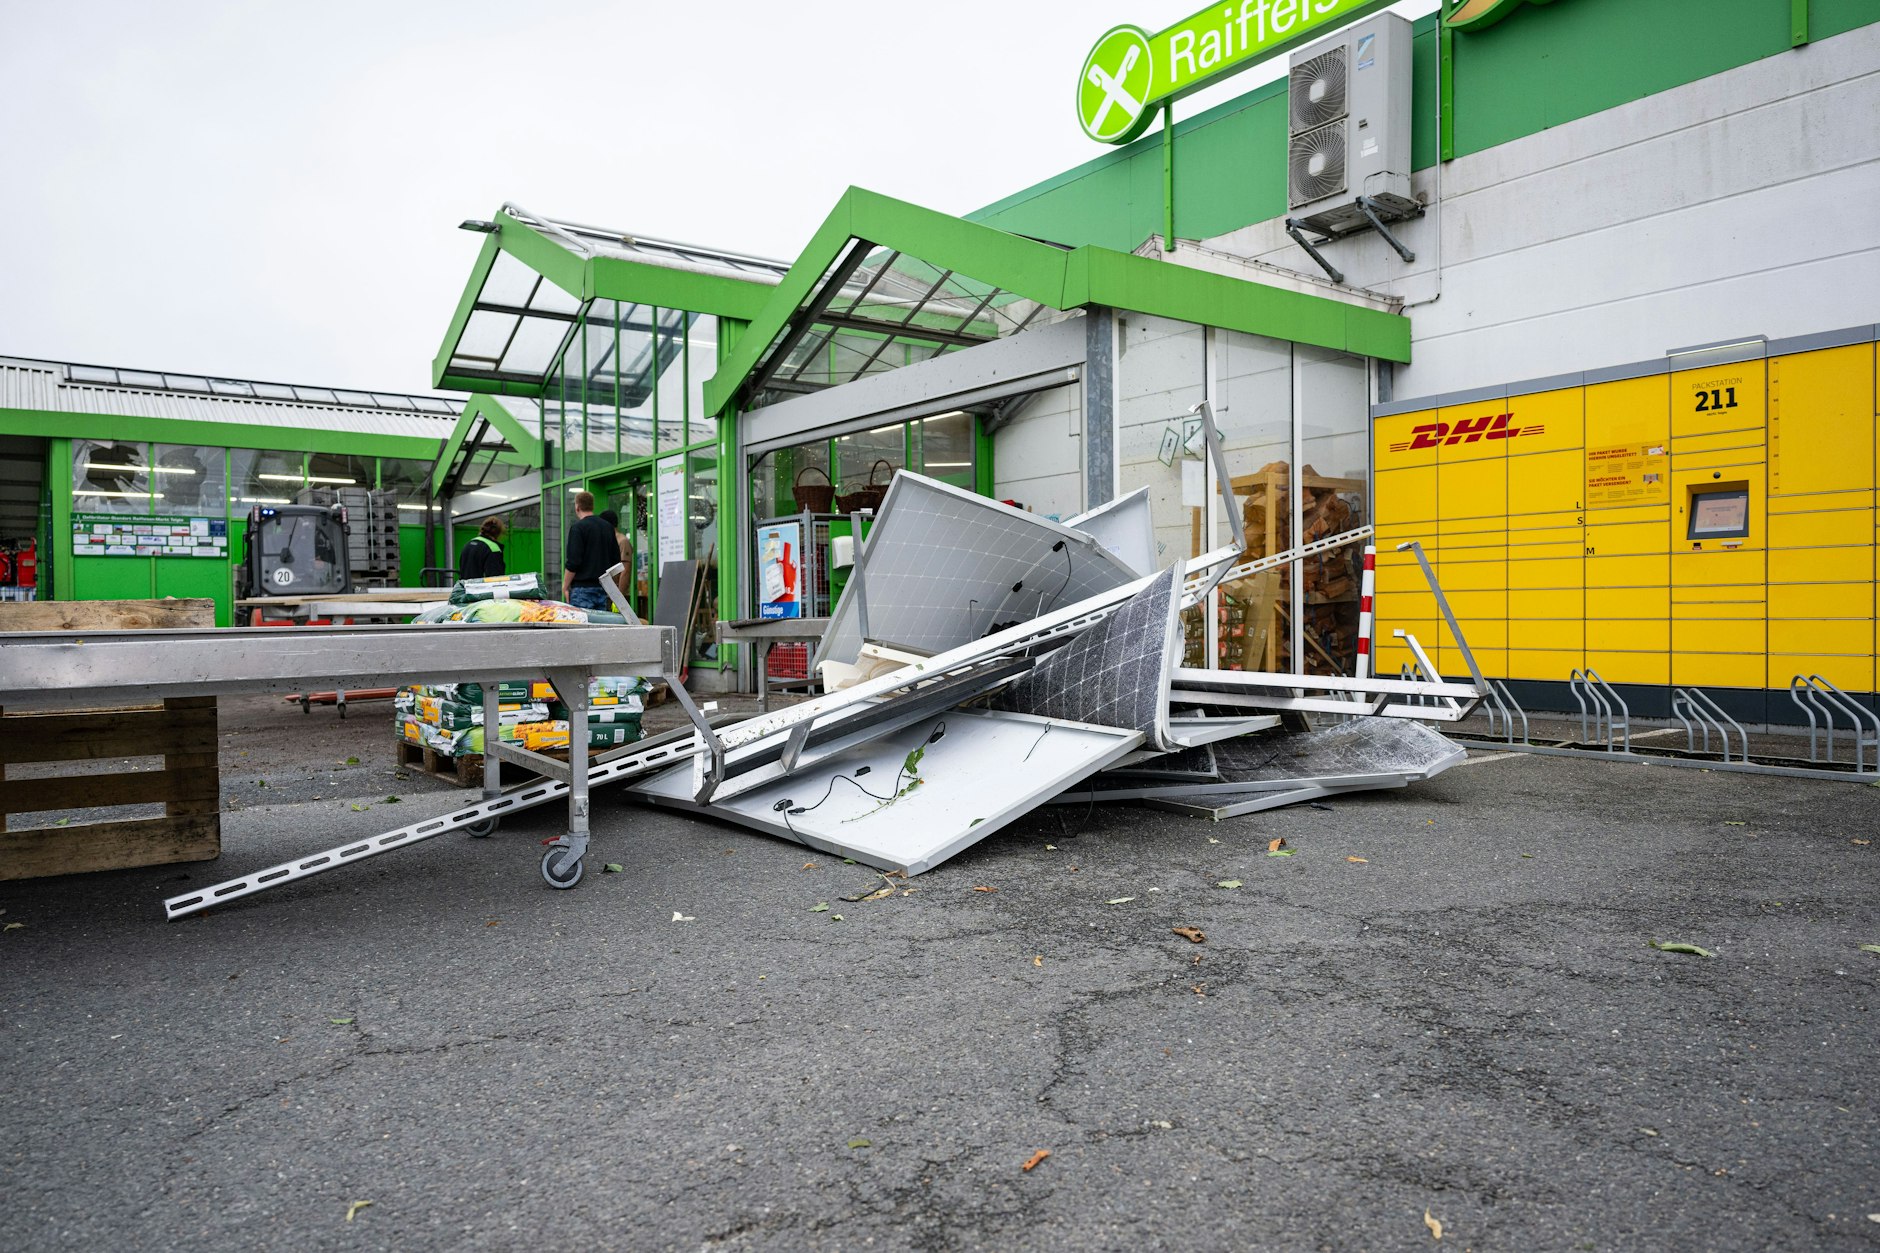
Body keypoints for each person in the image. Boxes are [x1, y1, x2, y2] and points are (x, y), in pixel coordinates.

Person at [562, 490, 616, 612]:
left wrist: (565, 586)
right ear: (592, 506)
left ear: (577, 507)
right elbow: (615, 560)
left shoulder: (578, 528)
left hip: (582, 590)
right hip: (603, 588)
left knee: (582, 628)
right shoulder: (607, 527)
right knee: (601, 628)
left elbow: (573, 562)